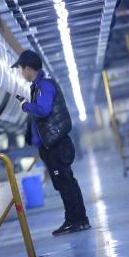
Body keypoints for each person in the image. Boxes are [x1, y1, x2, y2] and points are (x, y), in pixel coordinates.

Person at [12, 49, 91, 236]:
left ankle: (74, 220)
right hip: (51, 145)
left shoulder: (44, 86)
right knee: (66, 182)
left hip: (56, 144)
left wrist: (25, 105)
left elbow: (44, 110)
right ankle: (79, 220)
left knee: (65, 183)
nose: (21, 73)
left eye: (21, 69)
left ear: (28, 68)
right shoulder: (38, 86)